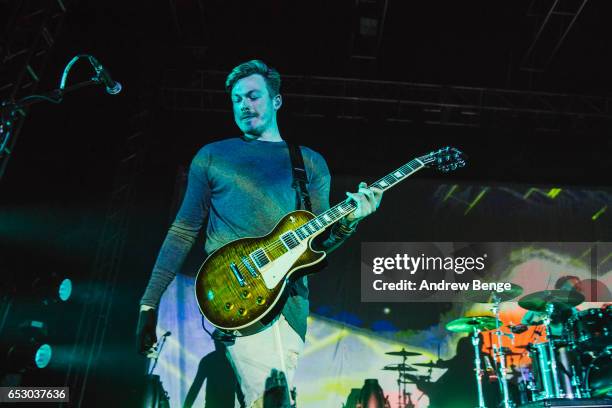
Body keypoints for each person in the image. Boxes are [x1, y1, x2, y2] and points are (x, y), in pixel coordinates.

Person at [136, 59, 383, 407]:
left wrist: (350, 220)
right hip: (238, 296)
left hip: (289, 303)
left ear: (276, 101)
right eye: (236, 99)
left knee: (266, 398)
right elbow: (183, 229)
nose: (243, 105)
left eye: (253, 96)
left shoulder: (308, 162)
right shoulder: (213, 156)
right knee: (271, 399)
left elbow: (319, 241)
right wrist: (149, 303)